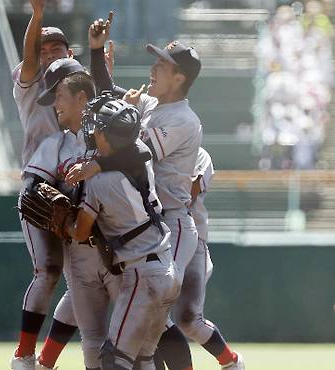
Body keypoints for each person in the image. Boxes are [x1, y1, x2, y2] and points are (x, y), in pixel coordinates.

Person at [66, 17, 203, 370]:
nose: (153, 68)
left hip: (168, 224)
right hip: (149, 220)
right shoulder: (156, 106)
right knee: (143, 342)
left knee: (159, 322)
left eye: (162, 64)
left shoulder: (183, 119)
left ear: (180, 78)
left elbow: (139, 152)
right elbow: (114, 113)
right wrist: (96, 54)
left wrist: (96, 167)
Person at [63, 98, 180, 370]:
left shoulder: (98, 182)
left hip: (141, 274)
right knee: (144, 358)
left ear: (106, 133)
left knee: (114, 359)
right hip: (166, 269)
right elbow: (136, 151)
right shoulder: (139, 157)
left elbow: (80, 233)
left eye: (97, 127)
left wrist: (62, 224)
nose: (92, 131)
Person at [11, 1, 80, 368]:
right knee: (48, 271)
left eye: (58, 48)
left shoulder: (83, 89)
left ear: (71, 54)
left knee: (84, 282)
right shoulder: (31, 84)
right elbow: (31, 59)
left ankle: (46, 360)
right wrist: (37, 18)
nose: (50, 53)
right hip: (41, 184)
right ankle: (23, 355)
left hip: (80, 186)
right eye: (43, 48)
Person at [173, 147, 244, 370]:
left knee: (188, 318)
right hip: (156, 240)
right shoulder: (148, 151)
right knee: (152, 320)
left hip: (192, 240)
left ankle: (230, 361)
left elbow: (189, 193)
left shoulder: (199, 154)